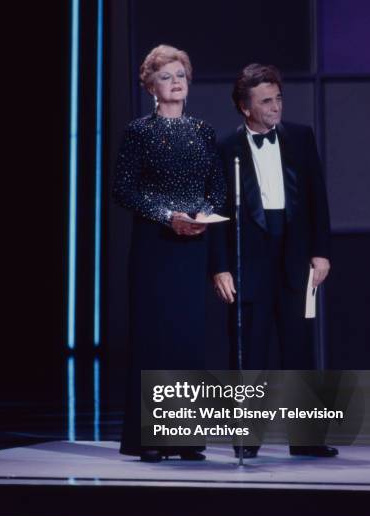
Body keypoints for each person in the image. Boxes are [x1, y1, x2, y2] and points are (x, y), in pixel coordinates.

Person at [210, 63, 338, 459]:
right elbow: (215, 211)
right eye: (266, 101)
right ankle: (247, 439)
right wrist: (219, 266)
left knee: (299, 348)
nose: (276, 106)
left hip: (295, 255)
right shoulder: (225, 147)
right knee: (250, 350)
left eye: (278, 98)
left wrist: (321, 251)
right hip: (249, 258)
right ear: (245, 107)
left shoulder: (301, 137)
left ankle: (307, 438)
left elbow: (317, 198)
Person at [112, 45, 226, 462]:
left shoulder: (203, 131)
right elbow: (122, 190)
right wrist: (167, 216)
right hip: (155, 248)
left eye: (181, 75)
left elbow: (217, 188)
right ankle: (151, 438)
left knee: (188, 340)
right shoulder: (139, 131)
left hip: (193, 246)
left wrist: (200, 215)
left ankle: (185, 437)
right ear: (151, 86)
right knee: (155, 339)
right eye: (166, 77)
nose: (176, 82)